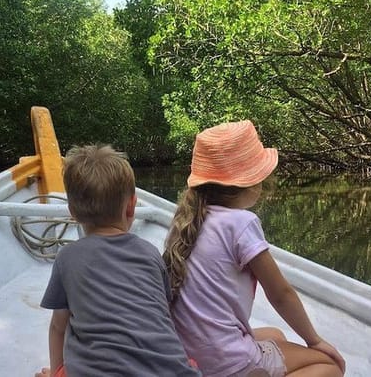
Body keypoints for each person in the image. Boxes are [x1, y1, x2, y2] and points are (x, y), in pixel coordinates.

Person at [163, 121, 346, 377]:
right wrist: (315, 340)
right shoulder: (241, 223)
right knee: (330, 366)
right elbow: (280, 293)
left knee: (275, 334)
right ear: (252, 181)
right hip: (225, 362)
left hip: (190, 356)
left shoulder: (185, 221)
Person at [35, 144, 201, 377]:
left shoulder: (67, 258)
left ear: (72, 210)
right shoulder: (150, 253)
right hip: (172, 372)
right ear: (131, 206)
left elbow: (58, 327)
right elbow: (162, 312)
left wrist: (56, 372)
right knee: (190, 362)